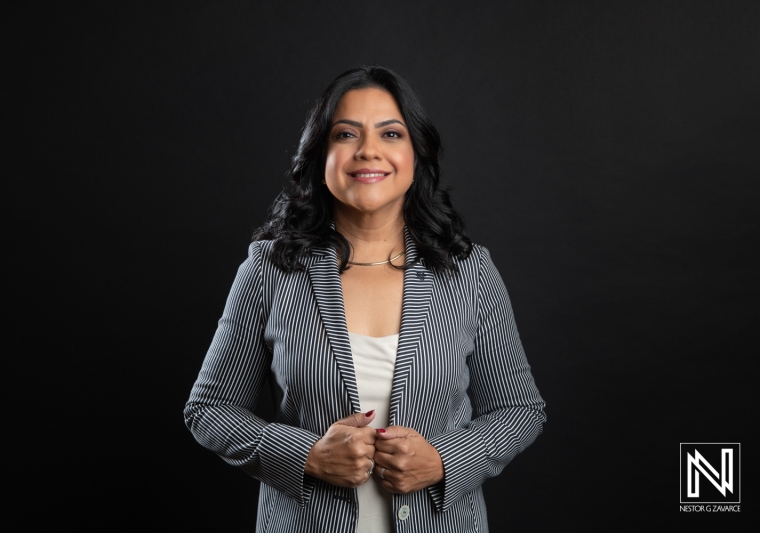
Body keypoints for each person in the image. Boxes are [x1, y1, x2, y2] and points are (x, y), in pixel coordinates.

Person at [184, 65, 546, 532]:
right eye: (346, 133)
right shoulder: (269, 270)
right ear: (321, 157)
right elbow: (209, 409)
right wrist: (307, 456)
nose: (368, 151)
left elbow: (520, 409)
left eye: (390, 133)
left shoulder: (469, 271)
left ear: (416, 156)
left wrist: (443, 462)